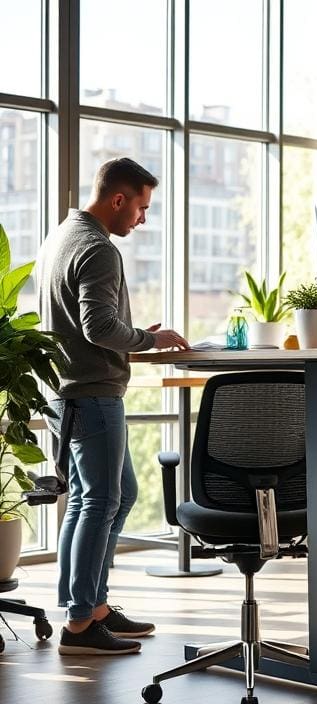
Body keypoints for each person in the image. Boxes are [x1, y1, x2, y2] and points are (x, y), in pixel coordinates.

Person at [38, 157, 189, 655]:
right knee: (99, 501)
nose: (142, 219)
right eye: (141, 208)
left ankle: (92, 607)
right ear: (118, 199)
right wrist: (150, 338)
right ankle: (80, 625)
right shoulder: (98, 249)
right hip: (91, 392)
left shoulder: (61, 235)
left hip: (70, 391)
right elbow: (98, 326)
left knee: (111, 496)